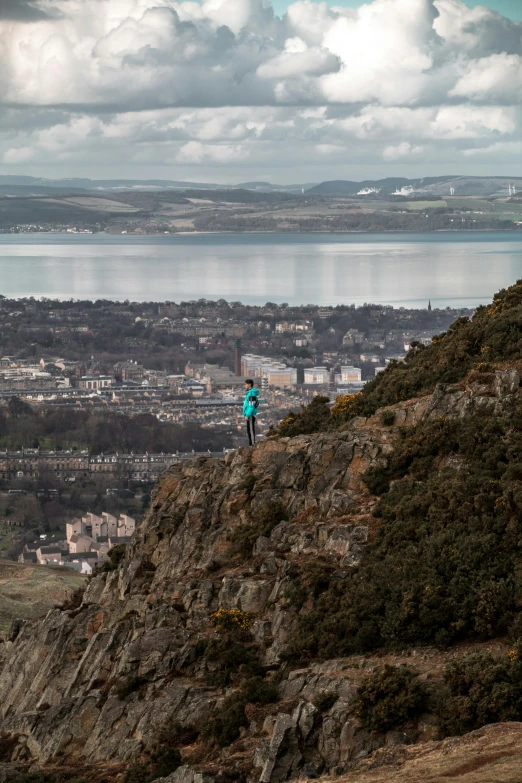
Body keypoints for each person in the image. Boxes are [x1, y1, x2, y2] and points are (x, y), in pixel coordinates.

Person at [243, 378, 259, 446]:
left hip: (251, 415)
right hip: (249, 414)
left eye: (245, 384)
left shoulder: (251, 394)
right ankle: (251, 444)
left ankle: (252, 445)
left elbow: (251, 406)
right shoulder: (249, 393)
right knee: (249, 430)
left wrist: (247, 415)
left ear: (249, 385)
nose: (245, 385)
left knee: (251, 430)